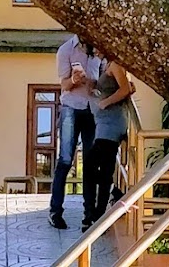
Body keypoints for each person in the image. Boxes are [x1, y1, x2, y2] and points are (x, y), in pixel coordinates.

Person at [49, 35, 97, 230]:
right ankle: (55, 211)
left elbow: (100, 81)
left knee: (90, 163)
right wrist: (74, 80)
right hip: (71, 107)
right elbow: (64, 85)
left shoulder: (98, 50)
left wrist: (92, 84)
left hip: (92, 109)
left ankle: (89, 215)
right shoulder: (66, 50)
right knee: (66, 160)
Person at [82, 56, 134, 230]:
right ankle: (98, 214)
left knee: (93, 164)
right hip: (104, 124)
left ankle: (99, 214)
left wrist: (105, 103)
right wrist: (93, 86)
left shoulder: (116, 65)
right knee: (103, 168)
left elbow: (125, 88)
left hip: (112, 123)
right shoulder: (106, 65)